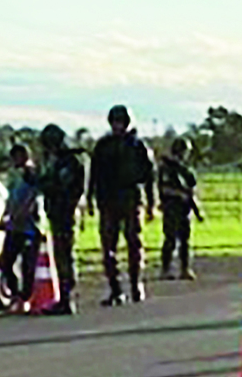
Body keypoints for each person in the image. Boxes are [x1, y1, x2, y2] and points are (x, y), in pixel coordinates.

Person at [88, 104, 157, 306]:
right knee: (108, 246)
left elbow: (150, 176)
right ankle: (115, 288)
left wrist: (152, 203)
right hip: (108, 201)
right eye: (115, 121)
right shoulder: (103, 146)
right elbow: (94, 175)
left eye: (121, 121)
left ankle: (136, 284)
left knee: (134, 243)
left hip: (131, 198)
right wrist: (91, 199)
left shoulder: (137, 146)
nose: (118, 125)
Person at [35, 124, 86, 315]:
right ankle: (64, 296)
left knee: (65, 253)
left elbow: (61, 186)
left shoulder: (69, 162)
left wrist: (44, 183)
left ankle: (67, 296)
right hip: (58, 212)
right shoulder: (58, 161)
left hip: (66, 211)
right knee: (60, 253)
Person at [0, 141, 43, 311]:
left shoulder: (31, 173)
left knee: (28, 265)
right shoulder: (15, 175)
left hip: (30, 226)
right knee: (6, 262)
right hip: (14, 226)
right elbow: (11, 198)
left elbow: (32, 197)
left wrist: (20, 213)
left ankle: (26, 297)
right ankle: (15, 294)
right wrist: (5, 216)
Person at [158, 138, 206, 280]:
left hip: (184, 209)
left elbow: (191, 191)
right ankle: (165, 269)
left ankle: (185, 268)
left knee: (185, 241)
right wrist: (179, 194)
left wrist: (197, 210)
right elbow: (164, 188)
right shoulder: (167, 168)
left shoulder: (186, 170)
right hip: (171, 208)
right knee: (170, 239)